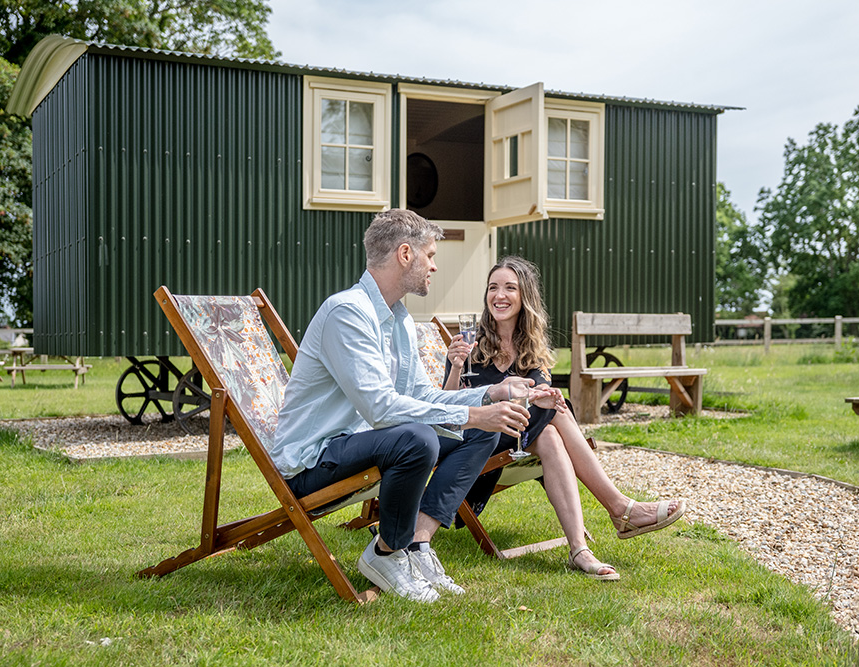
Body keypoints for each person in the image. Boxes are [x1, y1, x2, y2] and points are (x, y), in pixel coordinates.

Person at [270, 210, 545, 602]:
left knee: (483, 429)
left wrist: (491, 395)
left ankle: (417, 544)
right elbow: (382, 409)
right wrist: (473, 411)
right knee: (417, 439)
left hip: (364, 443)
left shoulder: (397, 319)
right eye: (429, 255)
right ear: (404, 254)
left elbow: (422, 396)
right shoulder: (347, 313)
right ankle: (386, 551)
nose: (434, 266)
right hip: (313, 462)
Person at [443, 256, 687, 581]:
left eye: (509, 288)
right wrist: (456, 366)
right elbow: (447, 407)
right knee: (554, 409)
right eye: (493, 288)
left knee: (550, 432)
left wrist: (542, 396)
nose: (499, 295)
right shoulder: (469, 344)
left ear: (524, 296)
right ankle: (619, 508)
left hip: (518, 434)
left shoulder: (530, 346)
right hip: (475, 438)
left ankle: (579, 550)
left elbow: (542, 391)